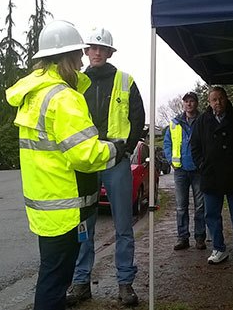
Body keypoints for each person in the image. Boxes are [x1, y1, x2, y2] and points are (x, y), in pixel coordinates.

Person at [5, 20, 125, 310]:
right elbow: (85, 154)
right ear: (67, 58)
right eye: (79, 55)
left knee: (51, 276)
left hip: (45, 205)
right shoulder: (64, 97)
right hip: (65, 208)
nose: (84, 60)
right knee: (54, 283)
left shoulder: (33, 94)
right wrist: (115, 148)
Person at [67, 27, 145, 307]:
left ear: (110, 52)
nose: (97, 52)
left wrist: (125, 148)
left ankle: (125, 284)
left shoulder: (125, 80)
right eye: (92, 48)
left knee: (123, 225)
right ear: (86, 52)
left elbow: (138, 118)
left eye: (102, 48)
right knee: (83, 226)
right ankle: (81, 282)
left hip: (116, 162)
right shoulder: (76, 82)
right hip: (86, 161)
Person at [190, 86, 233, 266]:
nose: (217, 102)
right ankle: (218, 248)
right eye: (214, 99)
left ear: (226, 99)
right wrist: (202, 165)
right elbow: (194, 146)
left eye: (220, 98)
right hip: (211, 175)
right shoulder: (202, 120)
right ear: (209, 102)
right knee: (211, 215)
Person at [163, 91, 206, 251]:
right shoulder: (174, 123)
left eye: (192, 101)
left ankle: (200, 238)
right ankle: (183, 238)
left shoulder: (203, 121)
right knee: (181, 207)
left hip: (198, 170)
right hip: (180, 171)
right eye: (186, 101)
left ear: (196, 103)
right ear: (183, 104)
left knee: (200, 206)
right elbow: (167, 143)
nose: (189, 104)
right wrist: (171, 160)